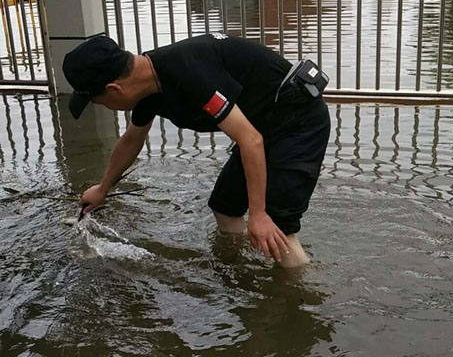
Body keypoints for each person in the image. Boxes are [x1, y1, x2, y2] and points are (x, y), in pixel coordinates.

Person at [62, 32, 330, 268]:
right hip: (261, 127)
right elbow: (132, 139)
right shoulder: (148, 84)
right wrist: (103, 188)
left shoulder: (188, 72)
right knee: (225, 208)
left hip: (298, 124)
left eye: (100, 102)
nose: (105, 107)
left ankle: (302, 296)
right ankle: (239, 272)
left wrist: (258, 215)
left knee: (278, 227)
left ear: (114, 89)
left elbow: (251, 141)